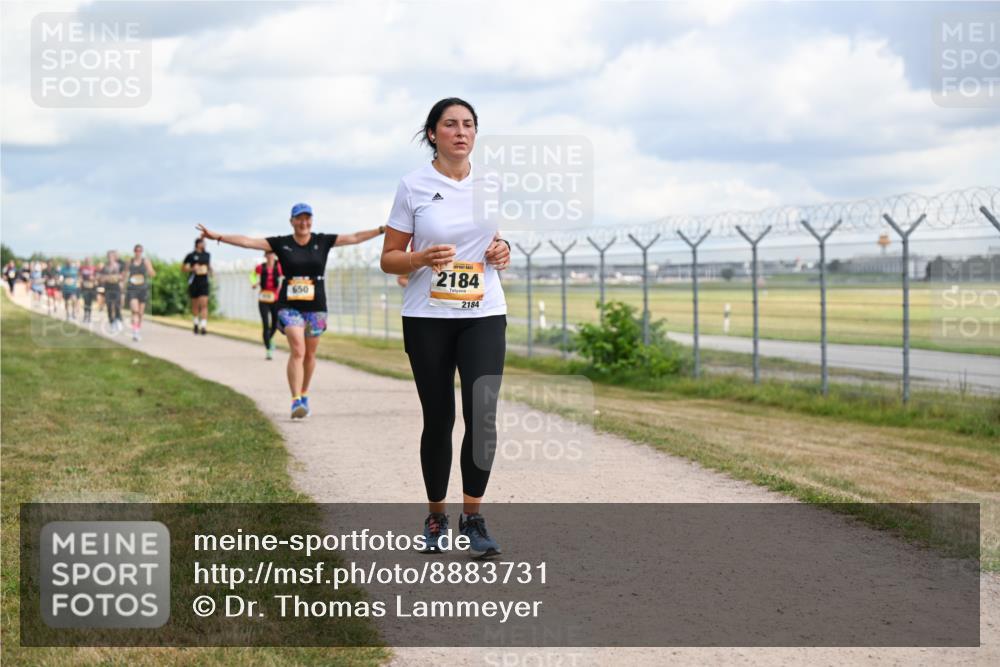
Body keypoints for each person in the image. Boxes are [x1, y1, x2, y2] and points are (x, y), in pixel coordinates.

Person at [380, 97, 511, 559]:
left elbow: (492, 240)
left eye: (469, 124)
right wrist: (418, 258)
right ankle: (436, 515)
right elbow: (388, 257)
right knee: (440, 419)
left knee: (483, 418)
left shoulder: (491, 183)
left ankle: (472, 518)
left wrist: (503, 250)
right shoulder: (413, 185)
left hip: (484, 311)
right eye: (450, 124)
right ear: (432, 133)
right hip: (427, 317)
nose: (461, 131)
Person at [196, 205, 384, 418]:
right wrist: (217, 236)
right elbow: (248, 242)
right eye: (299, 219)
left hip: (316, 306)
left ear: (312, 221)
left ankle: (304, 393)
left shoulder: (322, 241)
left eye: (307, 218)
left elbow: (355, 237)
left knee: (310, 355)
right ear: (292, 221)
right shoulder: (281, 243)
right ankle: (295, 401)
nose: (303, 223)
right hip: (289, 305)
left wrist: (382, 229)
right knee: (298, 349)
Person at [252, 249, 284, 359]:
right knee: (265, 324)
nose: (270, 255)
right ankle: (268, 349)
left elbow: (284, 277)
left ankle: (268, 338)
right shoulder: (260, 267)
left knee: (275, 323)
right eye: (268, 253)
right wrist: (254, 283)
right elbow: (252, 275)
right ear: (265, 255)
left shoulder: (279, 265)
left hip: (275, 299)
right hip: (263, 299)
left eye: (272, 253)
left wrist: (281, 288)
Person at [125, 244, 155, 342]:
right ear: (134, 251)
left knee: (141, 313)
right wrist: (122, 282)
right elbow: (124, 273)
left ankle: (137, 328)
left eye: (140, 250)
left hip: (142, 289)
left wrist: (150, 270)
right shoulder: (130, 261)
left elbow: (152, 273)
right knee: (135, 311)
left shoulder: (145, 261)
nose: (138, 252)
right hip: (132, 289)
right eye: (137, 250)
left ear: (142, 252)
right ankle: (135, 332)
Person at [183, 238, 212, 335]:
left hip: (204, 281)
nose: (204, 244)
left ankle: (203, 326)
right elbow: (183, 268)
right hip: (194, 282)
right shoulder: (191, 255)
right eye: (203, 243)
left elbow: (209, 266)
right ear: (197, 244)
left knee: (204, 304)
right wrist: (192, 268)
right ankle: (195, 323)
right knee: (195, 305)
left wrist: (211, 271)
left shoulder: (207, 255)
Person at [100, 252, 124, 332]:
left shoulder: (119, 266)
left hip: (116, 288)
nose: (110, 258)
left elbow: (123, 276)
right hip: (108, 289)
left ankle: (118, 320)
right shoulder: (105, 267)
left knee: (117, 305)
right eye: (109, 256)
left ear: (114, 257)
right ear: (107, 257)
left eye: (112, 256)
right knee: (109, 306)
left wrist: (119, 279)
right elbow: (101, 278)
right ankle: (112, 322)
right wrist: (107, 277)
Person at [79, 258, 98, 323]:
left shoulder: (94, 268)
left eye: (89, 261)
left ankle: (89, 316)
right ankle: (85, 315)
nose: (88, 262)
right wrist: (81, 280)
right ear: (85, 261)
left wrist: (94, 279)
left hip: (91, 287)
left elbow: (97, 276)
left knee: (90, 302)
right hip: (85, 287)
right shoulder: (82, 268)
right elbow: (80, 276)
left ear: (91, 261)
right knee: (85, 301)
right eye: (86, 261)